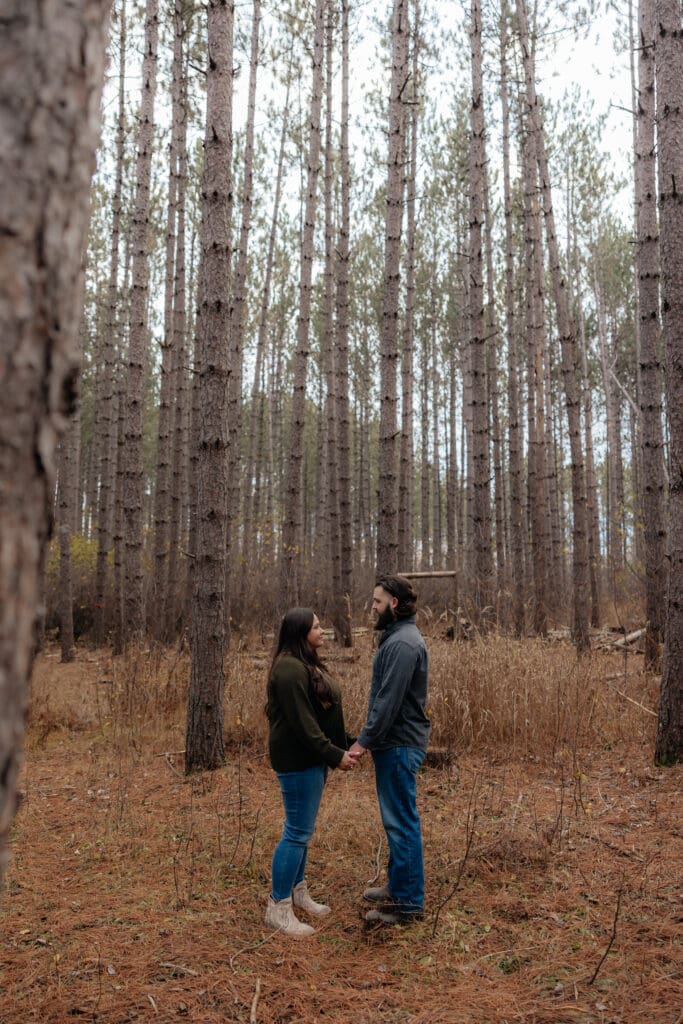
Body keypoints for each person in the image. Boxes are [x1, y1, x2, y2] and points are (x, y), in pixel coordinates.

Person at [265, 607, 357, 937]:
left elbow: (321, 715)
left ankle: (298, 892)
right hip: (298, 760)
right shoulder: (289, 670)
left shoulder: (305, 664)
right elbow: (304, 725)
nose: (322, 630)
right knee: (296, 832)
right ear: (301, 631)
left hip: (312, 758)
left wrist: (347, 743)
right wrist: (335, 754)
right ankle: (278, 907)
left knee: (302, 830)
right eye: (317, 626)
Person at [349, 575, 430, 925]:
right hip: (393, 743)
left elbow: (388, 703)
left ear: (394, 603)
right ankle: (399, 885)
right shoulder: (396, 637)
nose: (372, 607)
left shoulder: (402, 644)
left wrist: (362, 742)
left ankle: (408, 905)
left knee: (401, 823)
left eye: (377, 601)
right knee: (396, 821)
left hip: (398, 744)